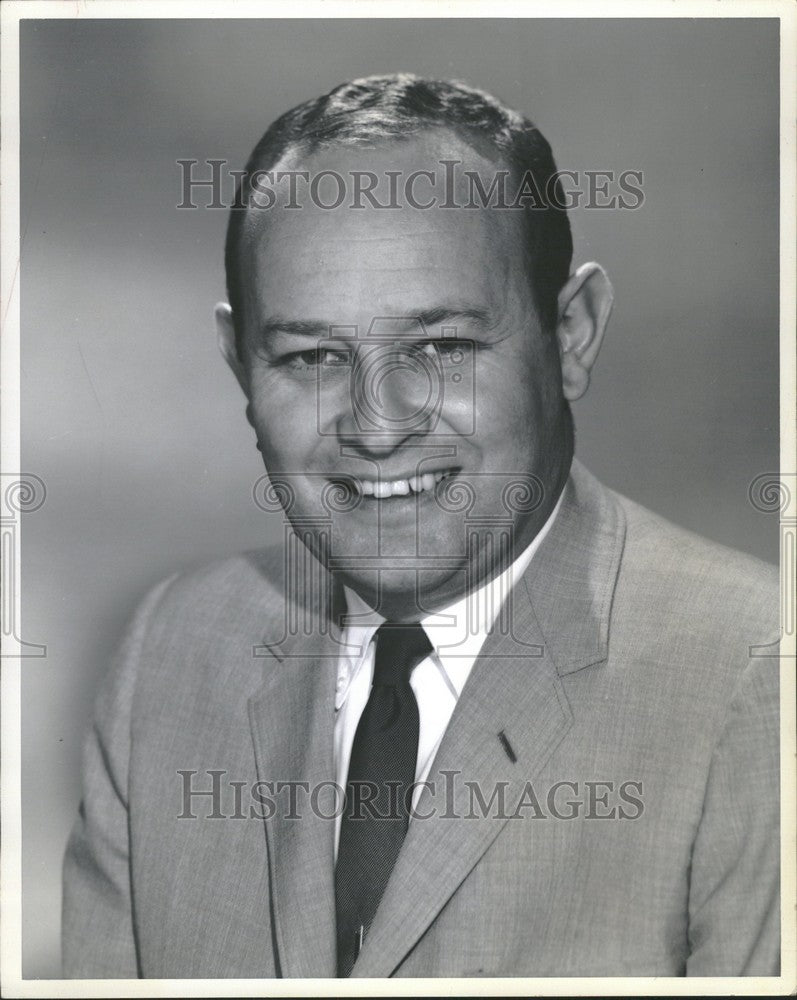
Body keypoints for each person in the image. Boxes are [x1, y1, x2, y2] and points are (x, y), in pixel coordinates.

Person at [62, 74, 780, 979]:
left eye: (440, 348)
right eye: (313, 356)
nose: (376, 423)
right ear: (240, 367)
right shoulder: (168, 656)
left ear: (572, 335)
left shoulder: (754, 681)